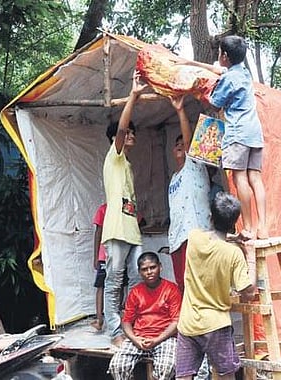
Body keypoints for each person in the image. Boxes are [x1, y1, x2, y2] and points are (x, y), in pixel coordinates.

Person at [178, 35, 268, 241]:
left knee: (240, 178)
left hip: (238, 133)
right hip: (254, 132)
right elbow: (218, 70)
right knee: (256, 178)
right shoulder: (243, 73)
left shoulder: (229, 79)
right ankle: (262, 227)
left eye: (219, 53)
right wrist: (189, 62)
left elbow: (215, 104)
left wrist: (195, 91)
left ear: (225, 56)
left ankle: (248, 227)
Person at [175, 192, 257, 380]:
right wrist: (250, 254)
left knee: (183, 377)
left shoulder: (194, 238)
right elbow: (249, 292)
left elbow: (212, 238)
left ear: (211, 218)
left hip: (188, 323)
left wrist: (234, 237)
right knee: (227, 376)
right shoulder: (233, 254)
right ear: (235, 222)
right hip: (216, 325)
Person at [102, 71, 148, 348]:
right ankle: (114, 331)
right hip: (117, 230)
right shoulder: (114, 157)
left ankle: (131, 325)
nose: (130, 136)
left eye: (132, 133)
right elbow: (120, 129)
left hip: (132, 232)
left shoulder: (127, 165)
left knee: (135, 279)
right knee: (114, 281)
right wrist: (134, 95)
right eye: (127, 133)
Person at [108, 252, 182, 380]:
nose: (149, 272)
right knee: (117, 365)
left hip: (164, 337)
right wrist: (135, 339)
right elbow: (126, 322)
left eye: (152, 267)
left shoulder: (171, 289)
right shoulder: (135, 292)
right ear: (139, 272)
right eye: (144, 269)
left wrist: (156, 340)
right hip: (139, 337)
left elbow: (176, 322)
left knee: (167, 367)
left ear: (160, 267)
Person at [167, 94, 212, 294]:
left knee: (198, 284)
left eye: (182, 144)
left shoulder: (194, 165)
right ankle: (190, 323)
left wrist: (180, 110)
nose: (180, 145)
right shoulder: (174, 177)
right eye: (176, 144)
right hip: (177, 237)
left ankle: (205, 324)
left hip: (194, 233)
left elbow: (187, 141)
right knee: (183, 285)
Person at [90, 203, 107, 331]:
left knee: (120, 286)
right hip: (104, 254)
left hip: (120, 254)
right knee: (100, 286)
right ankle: (99, 318)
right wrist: (96, 256)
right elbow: (98, 233)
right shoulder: (103, 209)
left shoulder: (126, 206)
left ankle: (116, 317)